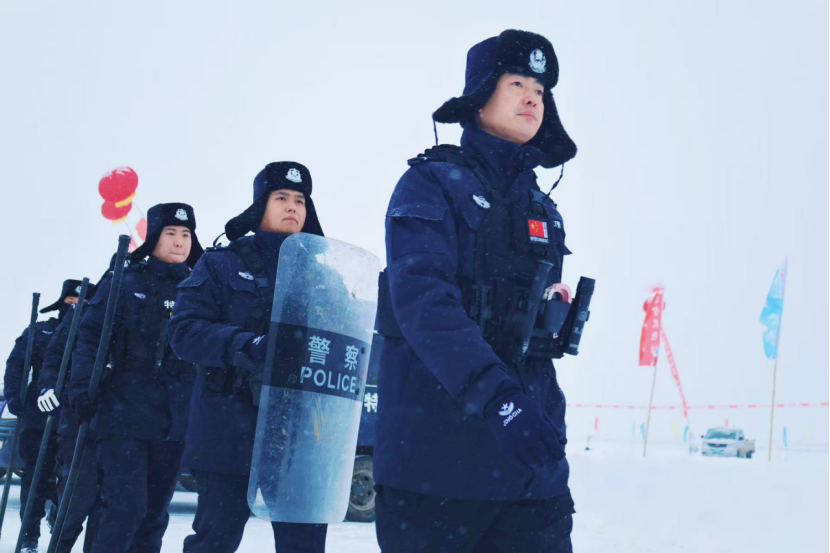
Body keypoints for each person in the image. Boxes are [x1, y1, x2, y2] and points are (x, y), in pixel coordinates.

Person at [373, 29, 579, 552]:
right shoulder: (430, 183)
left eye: (540, 89)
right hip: (435, 470)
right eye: (517, 84)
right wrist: (500, 401)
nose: (533, 97)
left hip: (532, 473)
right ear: (480, 95)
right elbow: (424, 304)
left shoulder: (544, 209)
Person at [169, 162, 327, 553]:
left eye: (300, 200)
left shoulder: (324, 275)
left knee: (304, 545)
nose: (292, 206)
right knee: (216, 540)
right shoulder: (220, 263)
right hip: (229, 424)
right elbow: (183, 332)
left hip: (298, 434)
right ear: (260, 205)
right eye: (281, 197)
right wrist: (248, 345)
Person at [68, 203, 202, 553]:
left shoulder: (199, 289)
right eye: (170, 233)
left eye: (186, 234)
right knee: (125, 509)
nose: (179, 241)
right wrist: (80, 388)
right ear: (153, 237)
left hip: (176, 420)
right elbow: (90, 339)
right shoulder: (123, 282)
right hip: (124, 414)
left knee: (154, 517)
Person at [4, 279, 84, 552]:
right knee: (35, 477)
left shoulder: (91, 332)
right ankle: (30, 535)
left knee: (72, 478)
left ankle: (58, 517)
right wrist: (14, 397)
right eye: (70, 301)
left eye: (80, 302)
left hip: (76, 417)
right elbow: (16, 365)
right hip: (38, 416)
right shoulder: (39, 331)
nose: (74, 307)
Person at [36, 281, 100, 553]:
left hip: (126, 421)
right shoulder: (83, 315)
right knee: (76, 497)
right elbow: (55, 357)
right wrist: (47, 387)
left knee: (112, 508)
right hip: (78, 417)